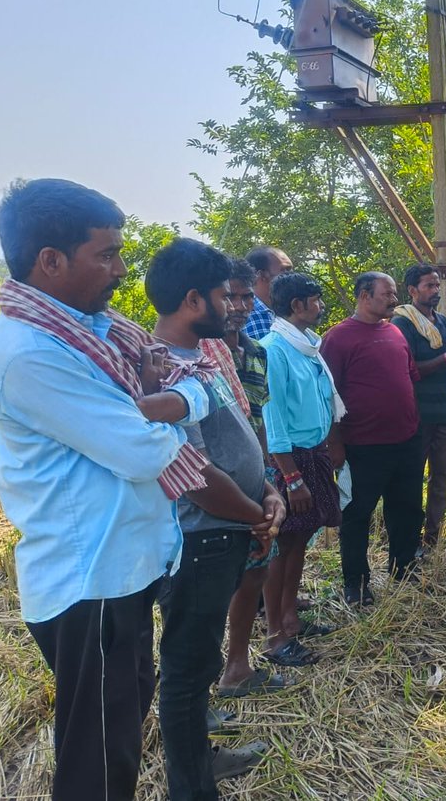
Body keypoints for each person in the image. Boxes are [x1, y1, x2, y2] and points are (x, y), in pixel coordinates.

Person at [0, 179, 211, 801]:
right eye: (106, 254)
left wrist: (155, 405)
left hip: (121, 568)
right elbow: (140, 448)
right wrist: (194, 396)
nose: (120, 269)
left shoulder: (92, 334)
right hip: (91, 578)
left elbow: (138, 420)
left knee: (118, 730)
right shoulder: (31, 350)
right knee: (99, 761)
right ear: (50, 261)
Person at [147, 239, 285, 798]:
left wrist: (268, 490)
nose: (234, 307)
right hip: (201, 541)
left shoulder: (204, 360)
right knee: (185, 670)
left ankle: (202, 757)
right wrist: (258, 513)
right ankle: (192, 785)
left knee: (196, 663)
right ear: (191, 299)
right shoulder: (162, 375)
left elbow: (239, 441)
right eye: (221, 297)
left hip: (231, 528)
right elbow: (197, 476)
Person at [321, 273, 426, 599]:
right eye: (388, 294)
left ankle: (403, 566)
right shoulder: (338, 338)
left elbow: (410, 377)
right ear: (365, 296)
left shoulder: (395, 331)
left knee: (407, 508)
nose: (394, 300)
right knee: (357, 513)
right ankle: (357, 582)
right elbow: (328, 394)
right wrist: (335, 443)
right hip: (362, 444)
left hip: (406, 439)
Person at [261, 272, 344, 666]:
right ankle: (274, 634)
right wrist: (291, 478)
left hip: (313, 454)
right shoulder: (275, 349)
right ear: (297, 305)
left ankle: (291, 617)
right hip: (290, 461)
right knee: (283, 546)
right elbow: (273, 417)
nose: (321, 305)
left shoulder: (310, 347)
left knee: (300, 541)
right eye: (316, 299)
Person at [213, 258, 287, 697]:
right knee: (209, 583)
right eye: (231, 296)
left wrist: (265, 477)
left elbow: (258, 418)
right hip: (207, 488)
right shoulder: (193, 353)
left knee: (255, 570)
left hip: (255, 480)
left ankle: (237, 665)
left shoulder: (255, 352)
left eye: (245, 297)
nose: (239, 306)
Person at [392, 264, 446, 552]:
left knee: (443, 474)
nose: (436, 291)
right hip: (417, 413)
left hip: (445, 410)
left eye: (437, 285)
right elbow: (409, 368)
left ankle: (433, 536)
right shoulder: (402, 324)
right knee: (414, 475)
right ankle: (411, 538)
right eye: (429, 286)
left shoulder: (444, 324)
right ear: (412, 290)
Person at [243, 245, 293, 340]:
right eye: (285, 271)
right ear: (261, 275)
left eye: (291, 270)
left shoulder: (282, 311)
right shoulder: (252, 317)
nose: (292, 276)